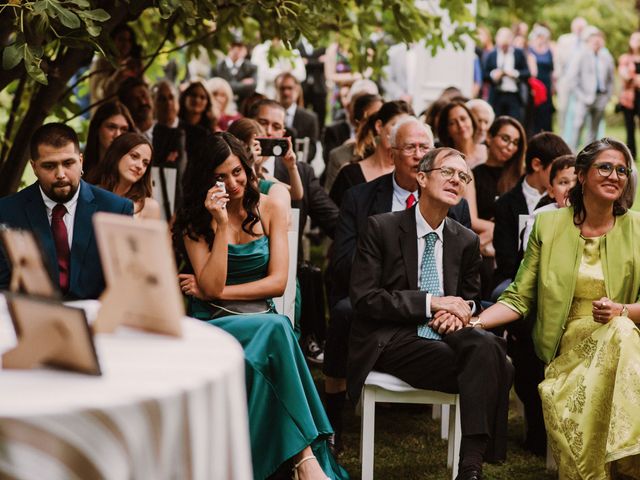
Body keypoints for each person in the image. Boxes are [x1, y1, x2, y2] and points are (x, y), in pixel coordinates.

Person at [172, 132, 348, 480]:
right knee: (278, 330)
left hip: (260, 321)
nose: (232, 182)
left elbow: (278, 281)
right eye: (220, 176)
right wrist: (221, 225)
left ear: (247, 168)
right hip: (214, 325)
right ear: (205, 179)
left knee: (275, 329)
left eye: (237, 171)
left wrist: (215, 291)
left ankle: (295, 461)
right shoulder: (193, 221)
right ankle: (305, 459)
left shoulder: (269, 208)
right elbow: (209, 286)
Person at [474, 138, 640, 479]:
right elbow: (519, 297)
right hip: (569, 347)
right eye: (605, 167)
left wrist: (623, 311)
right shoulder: (548, 226)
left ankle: (624, 448)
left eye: (622, 170)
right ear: (581, 175)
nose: (614, 175)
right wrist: (476, 322)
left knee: (622, 333)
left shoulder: (637, 228)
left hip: (628, 344)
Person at [348, 147, 513, 479]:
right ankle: (475, 462)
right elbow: (364, 298)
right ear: (421, 178)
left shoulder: (465, 240)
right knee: (497, 359)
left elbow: (469, 300)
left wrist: (459, 313)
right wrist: (432, 303)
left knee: (486, 350)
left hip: (447, 335)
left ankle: (470, 465)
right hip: (394, 337)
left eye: (464, 176)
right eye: (448, 172)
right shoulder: (381, 228)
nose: (457, 180)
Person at [324, 118, 471, 452]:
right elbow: (343, 263)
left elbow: (462, 268)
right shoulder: (360, 199)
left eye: (425, 147)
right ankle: (332, 419)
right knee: (345, 312)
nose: (419, 154)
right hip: (373, 294)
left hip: (434, 298)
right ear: (392, 154)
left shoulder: (455, 203)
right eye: (410, 147)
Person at [0, 123, 133, 299]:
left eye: (68, 163)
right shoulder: (7, 211)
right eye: (49, 166)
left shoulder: (116, 209)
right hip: (32, 317)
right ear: (34, 167)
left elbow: (125, 281)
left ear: (81, 161)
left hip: (95, 319)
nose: (61, 174)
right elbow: (3, 285)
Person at [472, 116, 526, 298]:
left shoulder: (521, 178)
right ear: (489, 137)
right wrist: (500, 228)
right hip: (483, 250)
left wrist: (497, 230)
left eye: (515, 143)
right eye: (505, 139)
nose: (510, 147)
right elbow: (471, 219)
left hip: (511, 250)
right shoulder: (475, 175)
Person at [329, 100, 413, 208]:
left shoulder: (413, 177)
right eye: (395, 126)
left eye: (406, 129)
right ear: (379, 126)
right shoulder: (349, 174)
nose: (401, 133)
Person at [87, 132, 161, 220]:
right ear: (117, 154)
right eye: (134, 156)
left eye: (145, 163)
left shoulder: (149, 207)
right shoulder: (89, 194)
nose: (140, 166)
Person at [565, 27, 614, 152]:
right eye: (594, 41)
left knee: (594, 130)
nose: (597, 44)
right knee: (578, 127)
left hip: (600, 98)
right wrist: (581, 96)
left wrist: (607, 97)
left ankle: (588, 156)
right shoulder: (581, 55)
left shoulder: (607, 57)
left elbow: (610, 80)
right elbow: (572, 79)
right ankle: (572, 155)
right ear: (589, 42)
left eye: (599, 41)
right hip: (583, 98)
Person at [323, 93, 383, 192]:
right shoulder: (340, 156)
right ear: (358, 122)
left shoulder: (394, 157)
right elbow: (330, 199)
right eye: (373, 119)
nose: (378, 125)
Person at [521, 154, 576, 248]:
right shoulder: (540, 216)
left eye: (577, 182)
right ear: (551, 191)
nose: (571, 187)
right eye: (564, 182)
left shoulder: (591, 216)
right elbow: (528, 250)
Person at [483, 27, 530, 123]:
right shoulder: (492, 54)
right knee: (496, 121)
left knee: (514, 122)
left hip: (514, 95)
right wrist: (494, 75)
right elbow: (484, 75)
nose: (504, 47)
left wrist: (514, 73)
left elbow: (527, 73)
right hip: (497, 95)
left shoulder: (518, 54)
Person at [89, 23, 143, 104]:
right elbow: (100, 93)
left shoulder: (133, 64)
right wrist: (117, 77)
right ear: (112, 41)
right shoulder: (101, 63)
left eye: (129, 40)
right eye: (121, 40)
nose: (126, 44)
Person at [83, 100, 136, 179]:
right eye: (111, 127)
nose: (118, 135)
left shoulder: (135, 172)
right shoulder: (79, 170)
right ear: (97, 129)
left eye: (124, 129)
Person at [276, 72, 320, 162]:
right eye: (282, 88)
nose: (286, 92)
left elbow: (312, 148)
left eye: (289, 88)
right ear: (277, 90)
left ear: (297, 89)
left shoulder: (310, 118)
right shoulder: (271, 115)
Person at [211, 37, 258, 106]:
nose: (236, 50)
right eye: (233, 47)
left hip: (242, 105)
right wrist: (241, 84)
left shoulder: (252, 68)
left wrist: (223, 84)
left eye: (240, 47)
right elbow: (211, 86)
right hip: (219, 105)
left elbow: (252, 87)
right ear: (228, 48)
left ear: (245, 50)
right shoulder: (216, 67)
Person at [618, 31, 640, 159]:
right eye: (634, 39)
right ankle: (631, 155)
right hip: (629, 97)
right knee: (629, 128)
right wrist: (636, 79)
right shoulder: (625, 58)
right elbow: (624, 76)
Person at [528, 25, 554, 133]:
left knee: (546, 112)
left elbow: (552, 69)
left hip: (546, 84)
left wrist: (553, 86)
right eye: (539, 36)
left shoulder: (549, 51)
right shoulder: (530, 50)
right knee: (535, 112)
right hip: (535, 85)